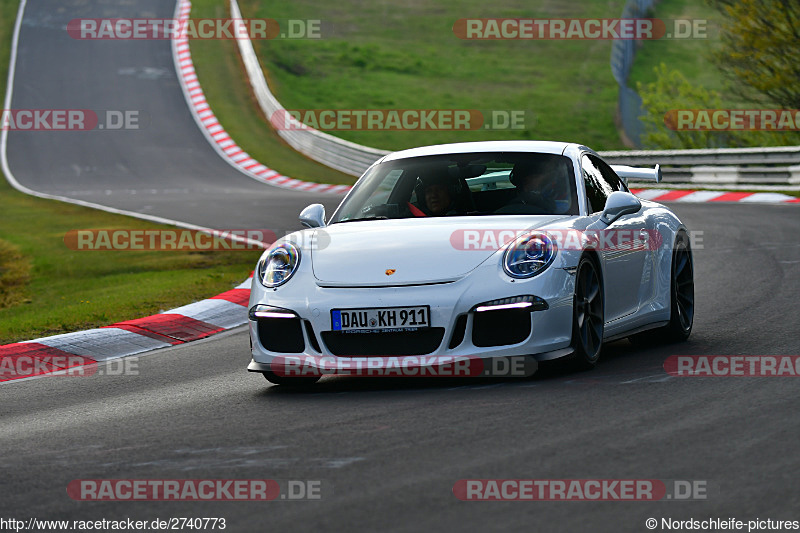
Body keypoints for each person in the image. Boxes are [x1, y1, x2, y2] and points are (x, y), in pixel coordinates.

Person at [495, 158, 562, 215]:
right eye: (535, 177)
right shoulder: (510, 209)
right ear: (525, 181)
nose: (552, 181)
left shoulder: (565, 201)